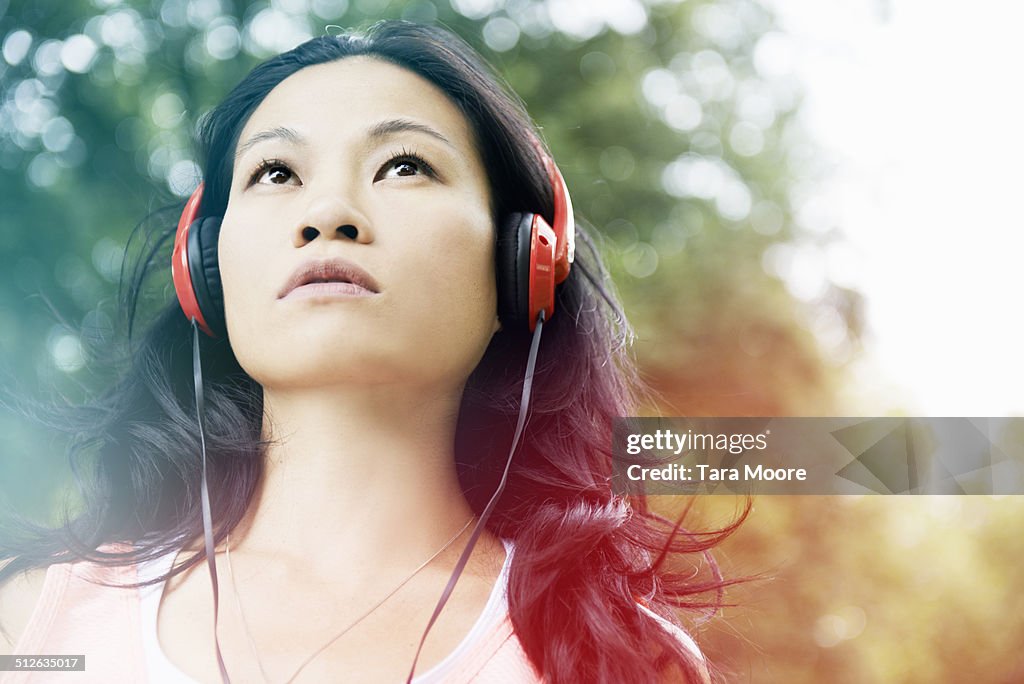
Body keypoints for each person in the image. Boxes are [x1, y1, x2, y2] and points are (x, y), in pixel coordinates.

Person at [0, 20, 740, 683]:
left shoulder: (619, 659)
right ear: (206, 272)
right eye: (276, 173)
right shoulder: (30, 627)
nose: (328, 214)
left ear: (523, 264)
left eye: (404, 165)